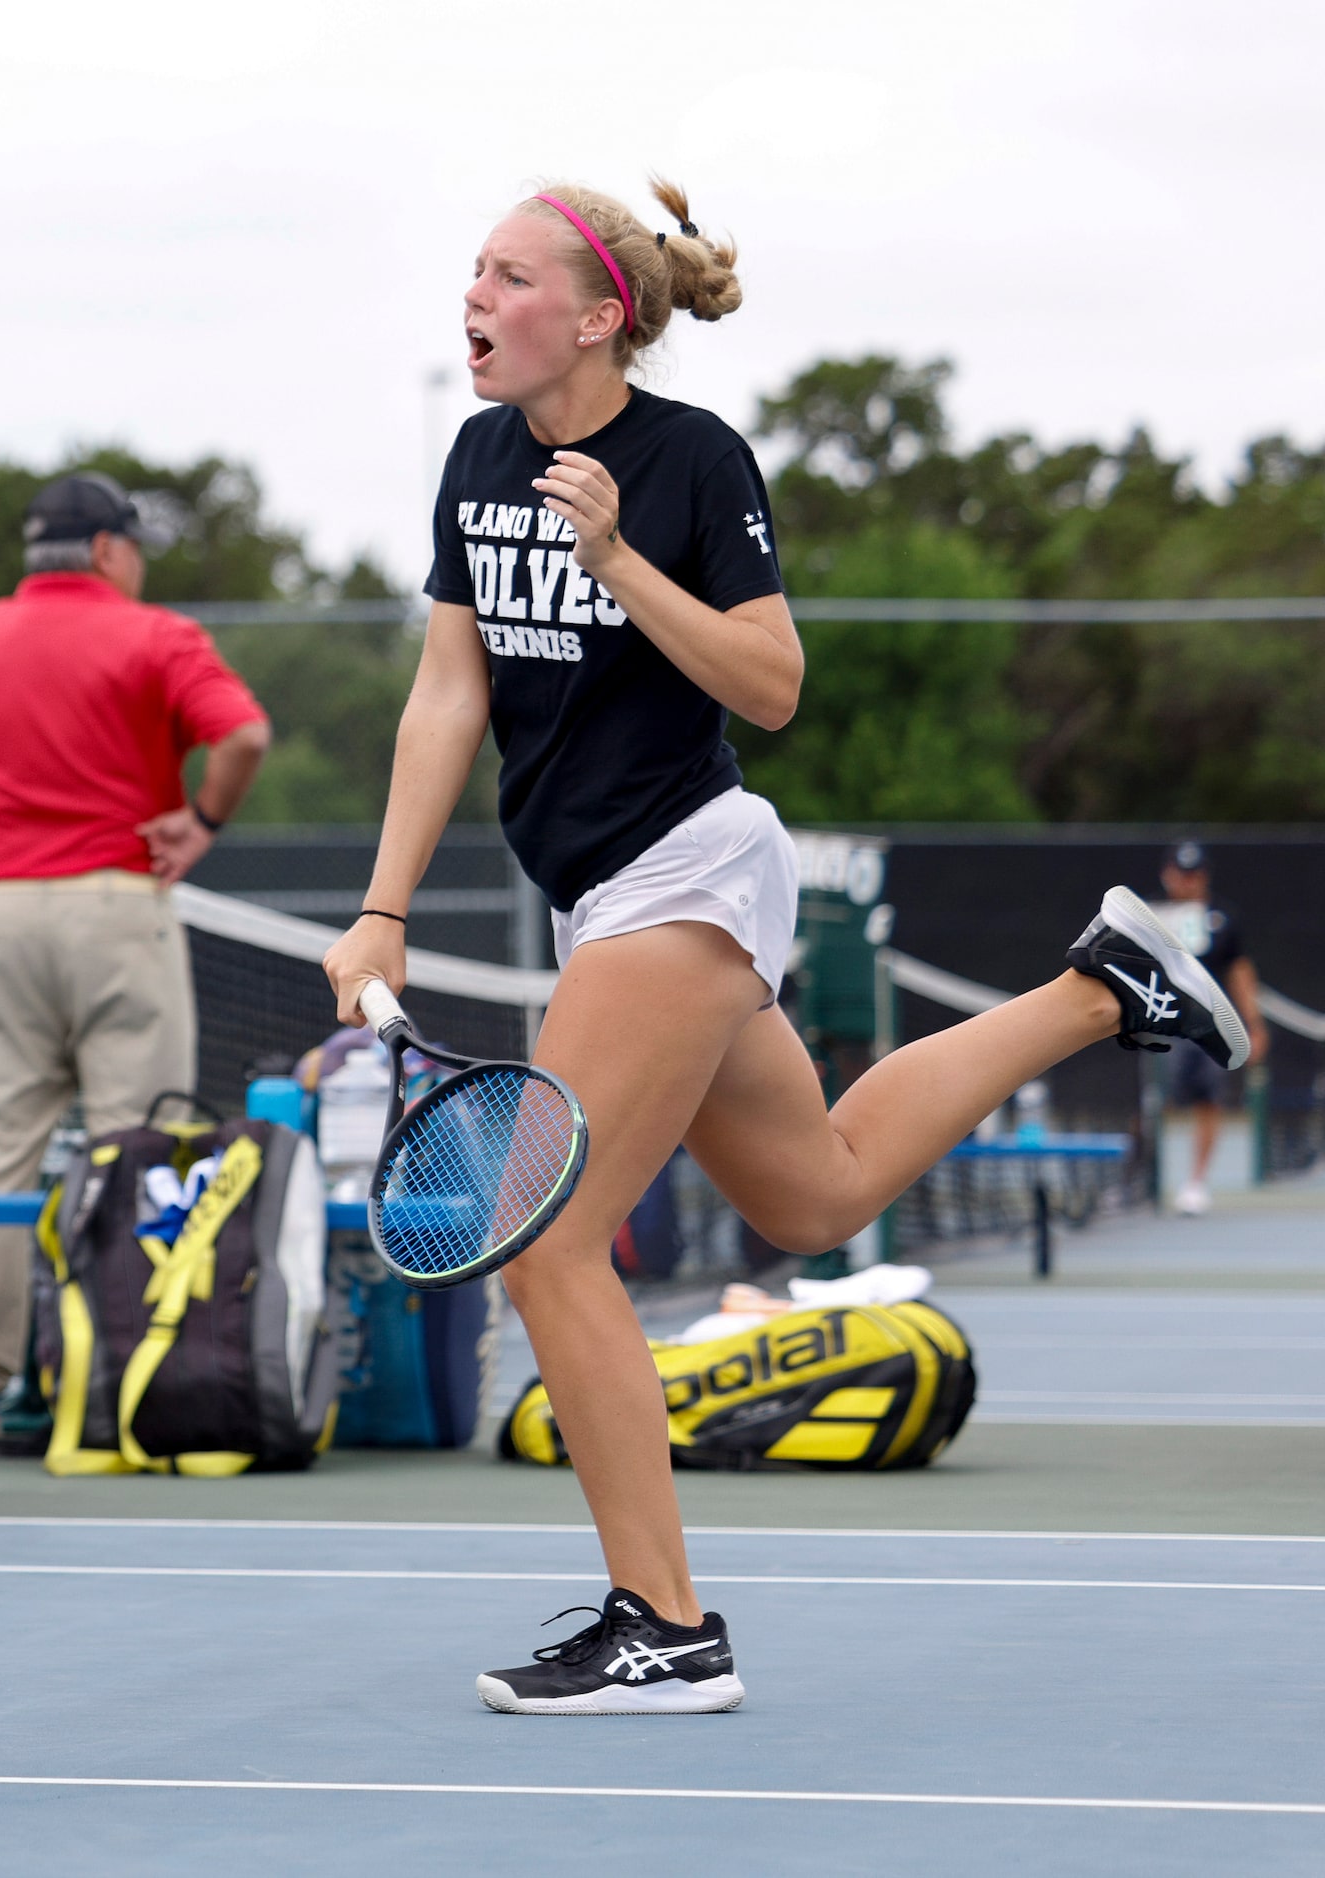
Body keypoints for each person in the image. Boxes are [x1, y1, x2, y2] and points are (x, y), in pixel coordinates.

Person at [319, 179, 1250, 1716]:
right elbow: (447, 692)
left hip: (682, 870)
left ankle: (665, 1624)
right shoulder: (479, 458)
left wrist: (620, 560)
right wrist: (382, 905)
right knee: (814, 1192)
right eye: (470, 271)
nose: (471, 297)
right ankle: (1104, 989)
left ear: (601, 312)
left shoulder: (691, 461)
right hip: (603, 895)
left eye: (508, 275)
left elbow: (773, 684)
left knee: (544, 1239)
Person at [0, 474, 271, 1438]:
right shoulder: (157, 636)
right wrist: (198, 822)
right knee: (136, 1149)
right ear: (110, 551)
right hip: (117, 908)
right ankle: (124, 1384)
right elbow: (241, 734)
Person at [1156, 838, 1269, 1214]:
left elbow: (1239, 970)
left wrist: (1253, 1024)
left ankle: (1195, 1181)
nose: (1189, 881)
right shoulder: (1148, 919)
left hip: (1208, 1027)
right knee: (1156, 1099)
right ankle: (1138, 1179)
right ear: (1168, 875)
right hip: (1161, 1024)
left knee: (1208, 1101)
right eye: (1182, 874)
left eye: (1196, 874)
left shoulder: (1223, 917)